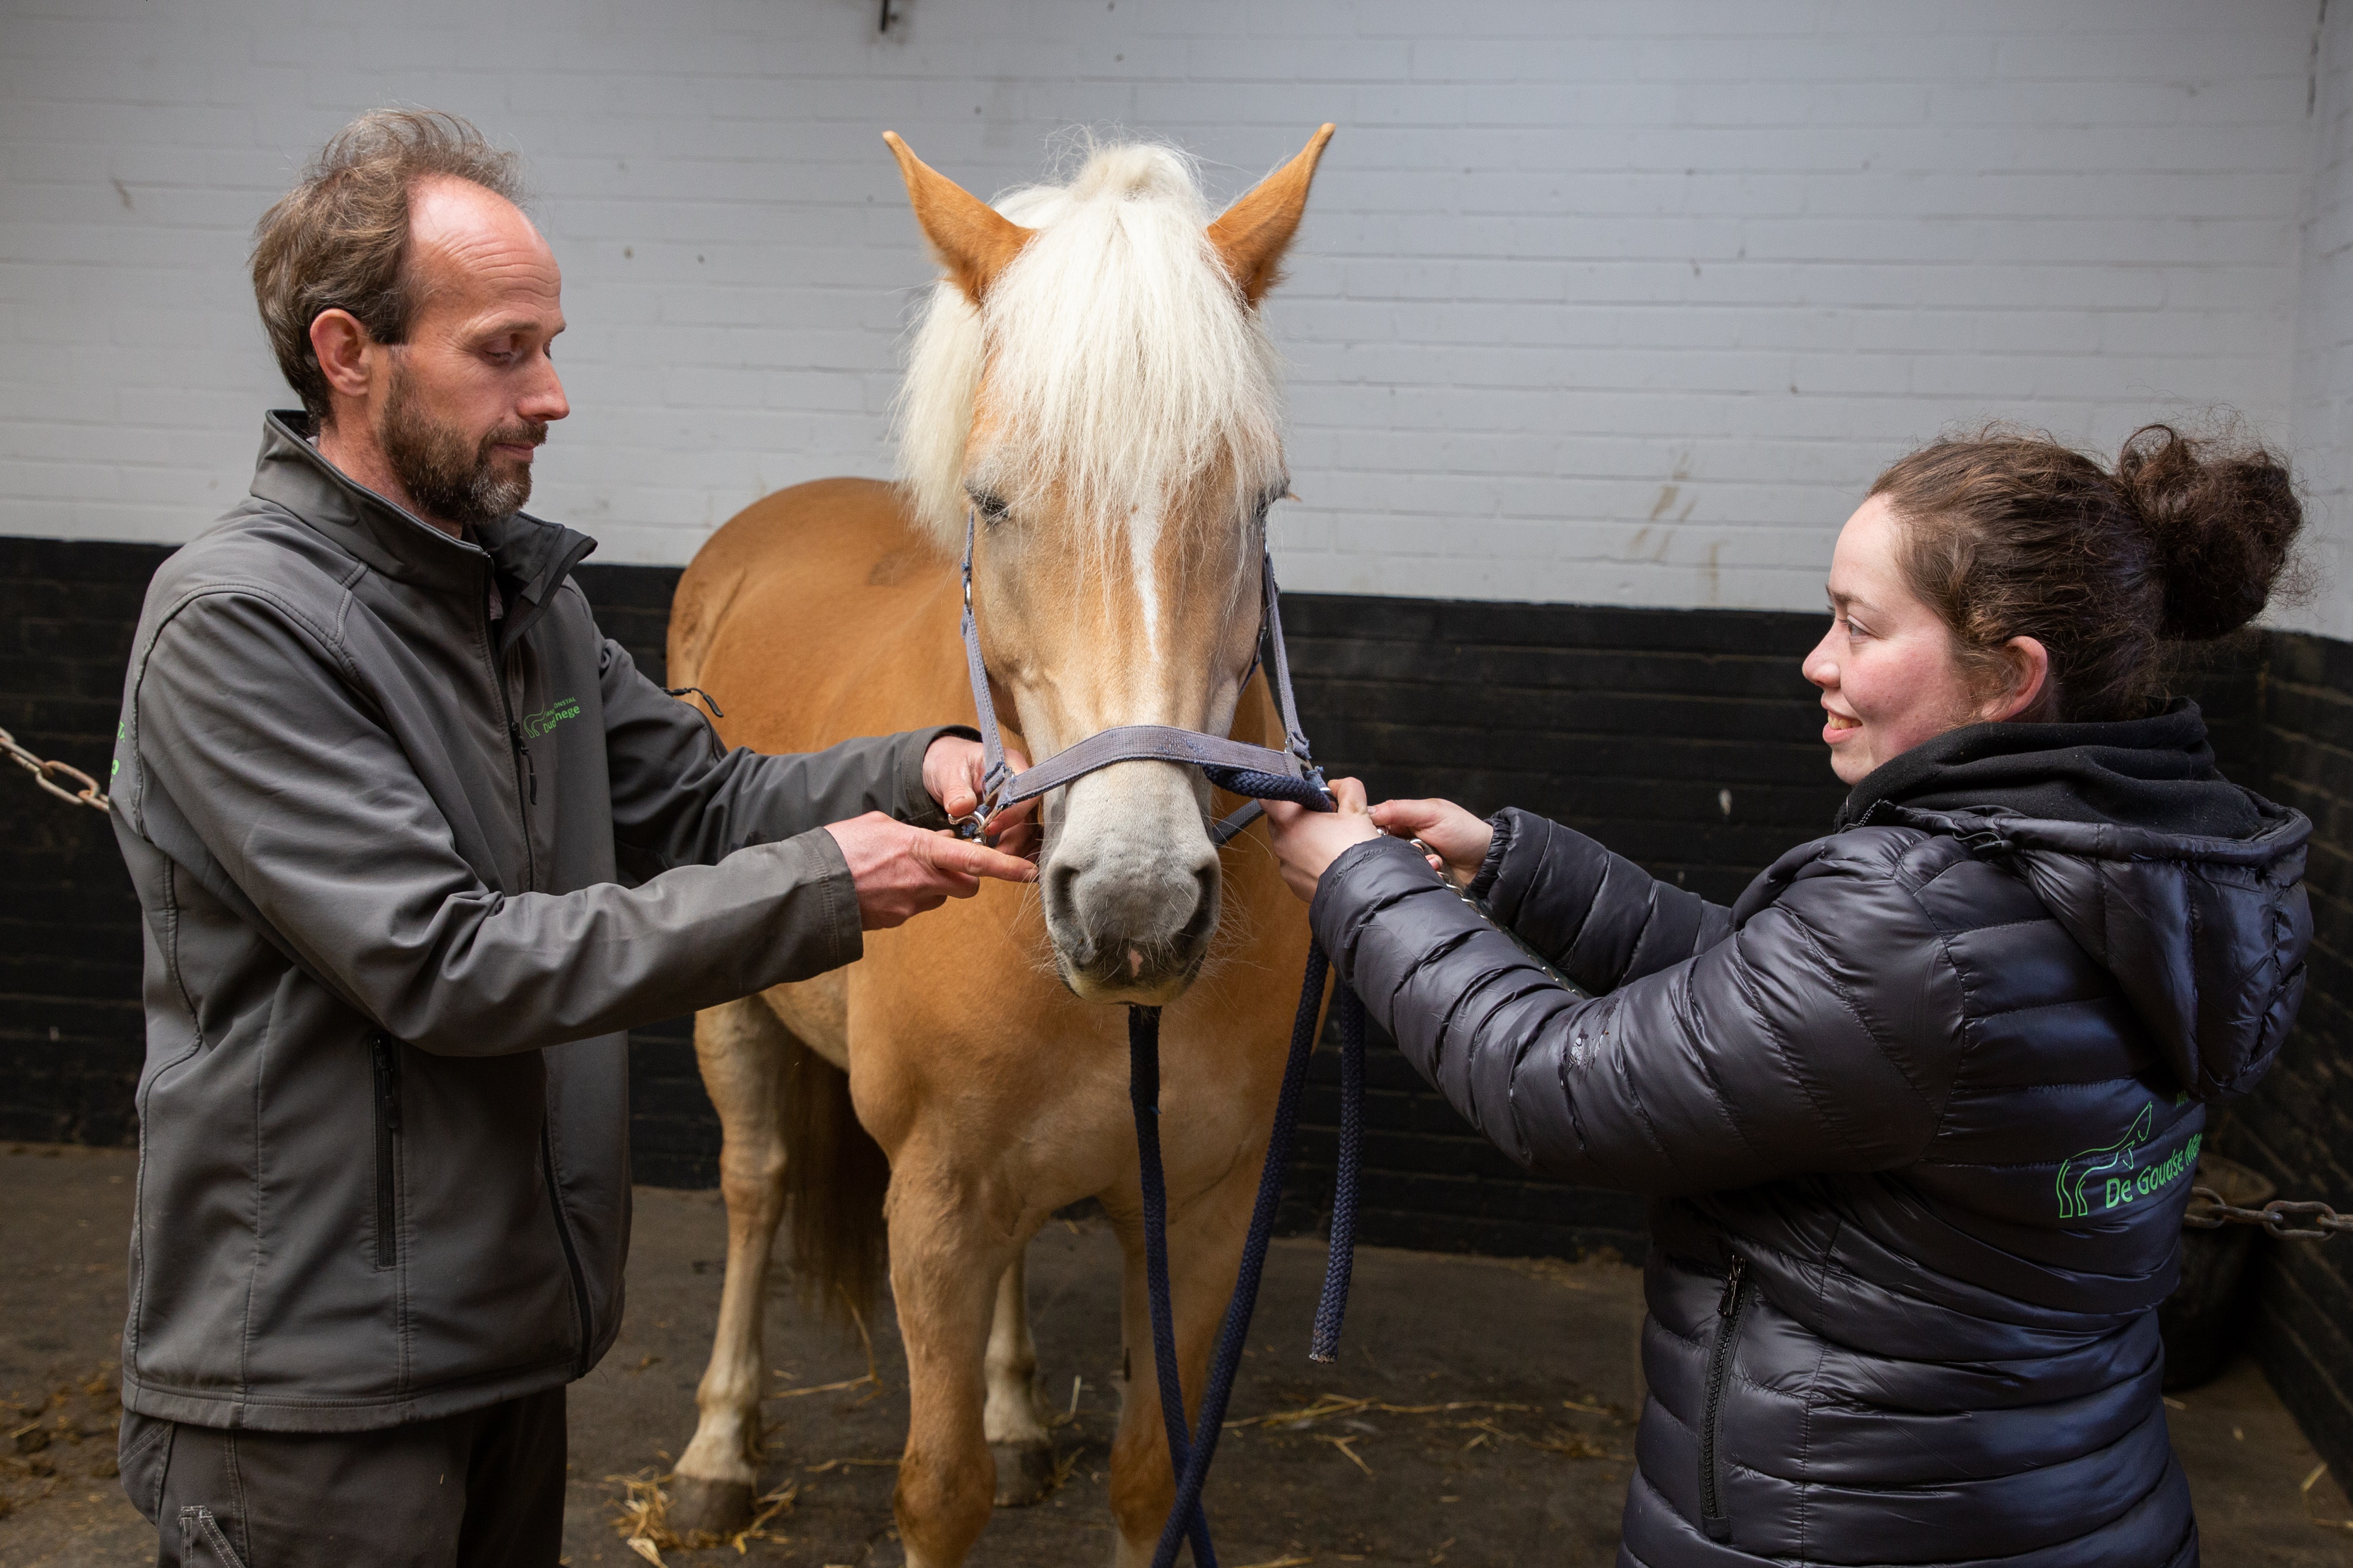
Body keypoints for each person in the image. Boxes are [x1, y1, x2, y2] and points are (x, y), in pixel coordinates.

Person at [106, 110, 1036, 1567]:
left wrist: (923, 766)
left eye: (551, 343)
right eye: (502, 350)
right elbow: (447, 965)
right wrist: (833, 883)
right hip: (312, 1391)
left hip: (500, 1340)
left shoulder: (514, 600)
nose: (551, 395)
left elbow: (703, 798)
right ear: (349, 354)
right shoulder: (242, 627)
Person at [1265, 424, 2312, 1567]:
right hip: (2067, 1501)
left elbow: (1552, 1085)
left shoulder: (1920, 917)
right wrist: (1517, 869)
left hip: (1854, 1527)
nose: (1815, 660)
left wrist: (1354, 880)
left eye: (1857, 627)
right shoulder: (2137, 861)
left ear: (2009, 675)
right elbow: (1780, 1009)